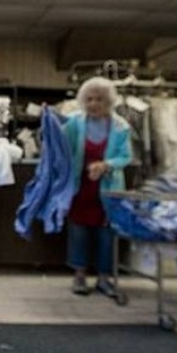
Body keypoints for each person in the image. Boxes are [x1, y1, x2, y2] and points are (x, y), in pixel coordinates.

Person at [63, 77, 133, 296]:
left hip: (108, 189)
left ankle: (104, 278)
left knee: (106, 235)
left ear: (109, 102)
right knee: (79, 232)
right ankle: (79, 277)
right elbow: (61, 145)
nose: (94, 103)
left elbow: (126, 156)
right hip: (80, 189)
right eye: (90, 99)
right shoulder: (74, 123)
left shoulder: (121, 126)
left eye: (100, 99)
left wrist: (106, 165)